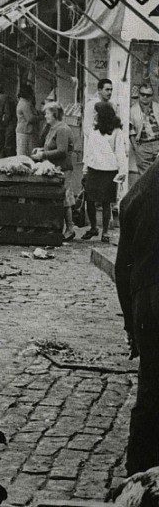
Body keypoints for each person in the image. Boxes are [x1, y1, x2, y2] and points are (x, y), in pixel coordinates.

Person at [115, 154, 159, 477]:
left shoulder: (138, 191)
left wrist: (131, 324)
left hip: (146, 300)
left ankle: (137, 474)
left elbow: (121, 267)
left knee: (149, 389)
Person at [82, 100, 128, 243]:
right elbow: (88, 152)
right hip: (93, 169)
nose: (94, 114)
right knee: (89, 199)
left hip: (109, 170)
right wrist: (85, 170)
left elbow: (120, 152)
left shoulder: (116, 132)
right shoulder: (94, 131)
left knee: (106, 202)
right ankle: (94, 227)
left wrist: (122, 171)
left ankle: (106, 231)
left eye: (96, 112)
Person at [32, 102, 76, 239]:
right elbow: (52, 146)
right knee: (58, 197)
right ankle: (56, 227)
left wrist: (43, 155)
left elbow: (62, 151)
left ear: (55, 114)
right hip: (54, 168)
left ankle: (70, 228)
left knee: (65, 198)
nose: (45, 116)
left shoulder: (62, 129)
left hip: (63, 169)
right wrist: (41, 150)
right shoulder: (53, 128)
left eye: (47, 113)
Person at [130, 83, 159, 175]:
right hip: (143, 146)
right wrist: (136, 148)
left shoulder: (157, 107)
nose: (145, 97)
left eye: (148, 95)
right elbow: (130, 130)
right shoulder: (133, 110)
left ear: (152, 96)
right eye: (143, 94)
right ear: (139, 94)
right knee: (145, 178)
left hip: (157, 143)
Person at [15, 85, 39, 157]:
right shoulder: (25, 104)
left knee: (24, 155)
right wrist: (42, 117)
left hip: (24, 132)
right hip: (25, 132)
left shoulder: (23, 102)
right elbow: (30, 118)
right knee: (25, 156)